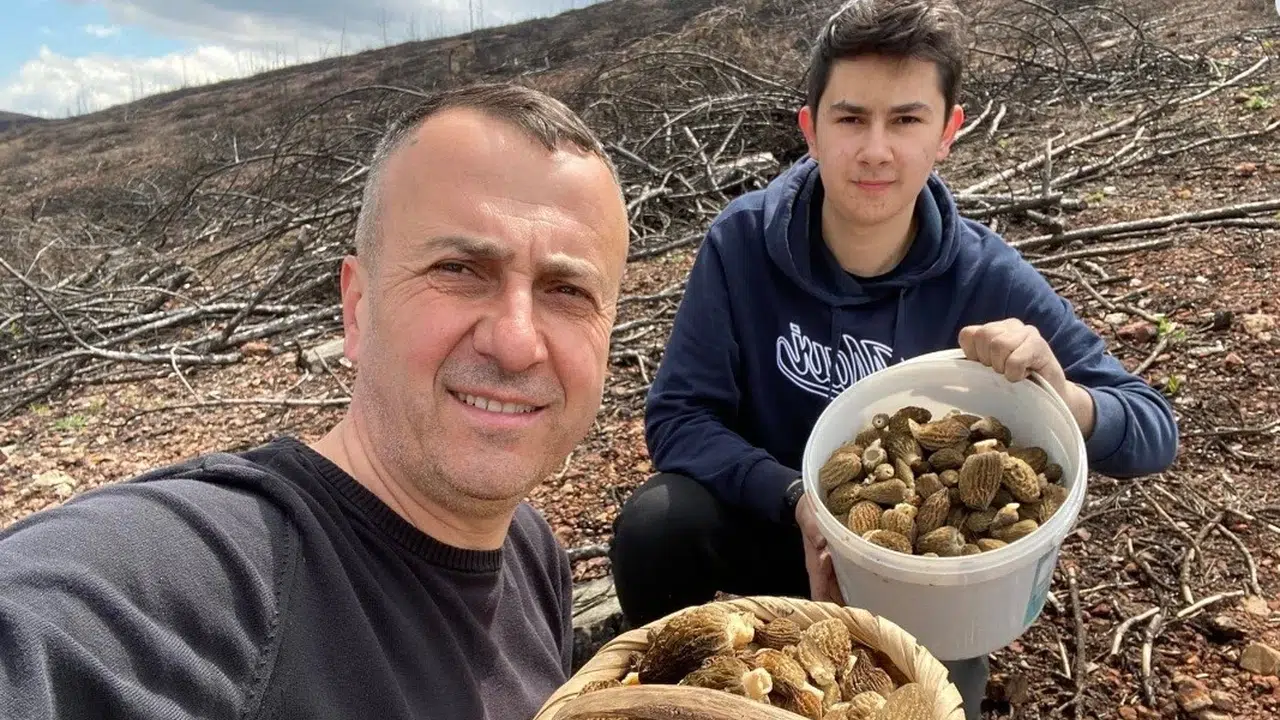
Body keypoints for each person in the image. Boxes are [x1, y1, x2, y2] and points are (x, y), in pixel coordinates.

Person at [608, 0, 1178, 717]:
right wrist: (798, 501)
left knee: (937, 705)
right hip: (779, 525)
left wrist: (1067, 397)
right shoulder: (742, 244)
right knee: (658, 523)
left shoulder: (985, 277)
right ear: (810, 130)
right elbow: (679, 417)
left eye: (906, 120)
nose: (875, 149)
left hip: (920, 567)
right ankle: (665, 689)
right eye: (851, 119)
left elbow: (1156, 427)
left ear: (947, 132)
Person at [0, 82, 631, 720]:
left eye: (567, 290)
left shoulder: (528, 552)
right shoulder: (212, 575)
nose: (517, 342)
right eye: (460, 271)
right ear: (357, 309)